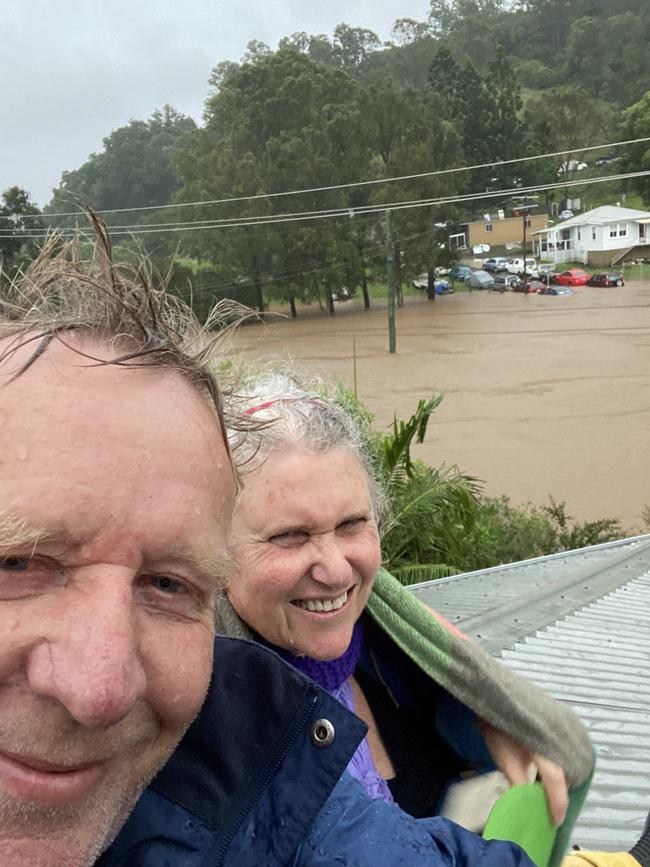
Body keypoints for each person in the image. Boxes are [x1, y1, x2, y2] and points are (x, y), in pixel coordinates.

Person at [0, 220, 538, 867]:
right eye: (18, 561)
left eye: (166, 581)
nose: (99, 687)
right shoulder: (233, 745)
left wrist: (486, 710)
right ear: (228, 564)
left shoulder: (412, 669)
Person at [213, 371, 648, 865]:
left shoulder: (399, 659)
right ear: (211, 552)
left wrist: (478, 723)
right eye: (289, 536)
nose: (334, 569)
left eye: (352, 524)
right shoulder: (201, 747)